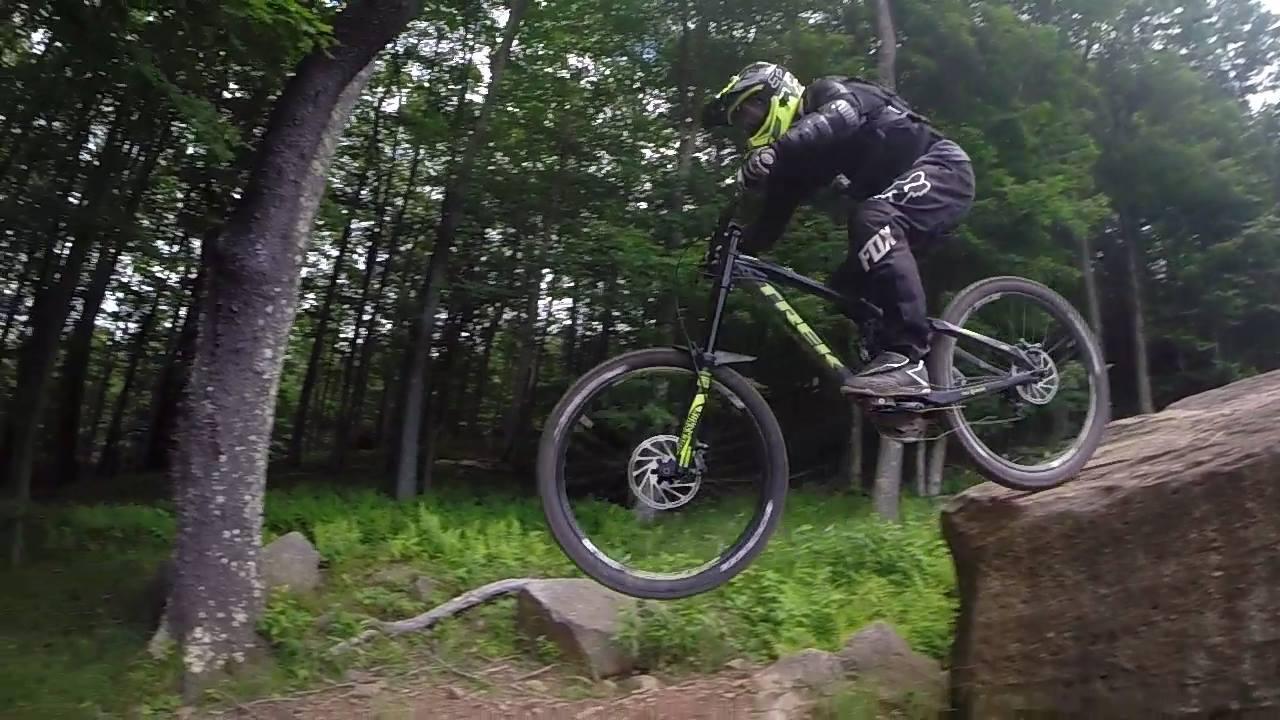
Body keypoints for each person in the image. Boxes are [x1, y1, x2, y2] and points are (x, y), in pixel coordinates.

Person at [700, 61, 975, 397]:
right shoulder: (796, 164)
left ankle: (908, 358)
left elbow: (841, 117)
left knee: (871, 217)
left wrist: (776, 151)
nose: (748, 123)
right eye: (741, 121)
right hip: (904, 204)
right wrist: (730, 250)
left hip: (942, 168)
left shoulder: (824, 93)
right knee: (846, 288)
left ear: (777, 93)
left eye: (750, 110)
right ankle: (918, 379)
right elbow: (769, 224)